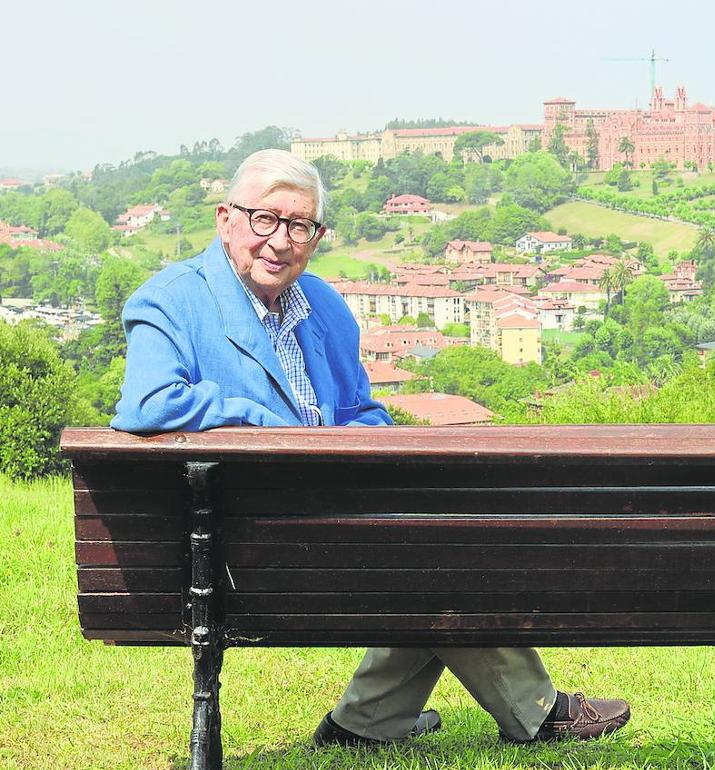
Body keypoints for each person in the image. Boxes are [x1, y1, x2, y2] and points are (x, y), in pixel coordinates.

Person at [111, 148, 630, 747]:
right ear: (226, 219)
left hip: (341, 519)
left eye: (299, 225)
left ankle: (364, 724)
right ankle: (536, 713)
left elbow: (358, 410)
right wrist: (267, 425)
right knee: (442, 548)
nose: (280, 240)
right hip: (241, 552)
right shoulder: (171, 299)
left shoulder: (325, 306)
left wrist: (385, 450)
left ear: (316, 235)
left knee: (437, 528)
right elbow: (148, 404)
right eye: (264, 219)